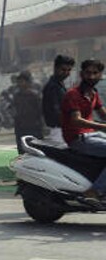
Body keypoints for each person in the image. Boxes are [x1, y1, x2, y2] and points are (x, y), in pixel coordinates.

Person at [60, 58, 106, 206]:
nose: (91, 76)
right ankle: (94, 191)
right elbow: (76, 120)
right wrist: (103, 127)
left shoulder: (93, 93)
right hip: (77, 138)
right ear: (81, 74)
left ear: (100, 75)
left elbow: (102, 112)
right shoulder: (73, 94)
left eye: (95, 73)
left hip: (91, 134)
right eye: (88, 73)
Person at [42, 54, 76, 144]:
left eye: (69, 70)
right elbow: (56, 111)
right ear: (55, 68)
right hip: (57, 131)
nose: (66, 73)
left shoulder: (59, 85)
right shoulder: (53, 87)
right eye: (63, 70)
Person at [11, 71, 44, 154]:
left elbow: (41, 111)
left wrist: (42, 125)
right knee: (22, 150)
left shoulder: (35, 95)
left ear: (28, 82)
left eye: (22, 81)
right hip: (20, 127)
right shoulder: (16, 95)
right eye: (19, 81)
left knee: (36, 149)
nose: (20, 83)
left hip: (34, 127)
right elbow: (14, 109)